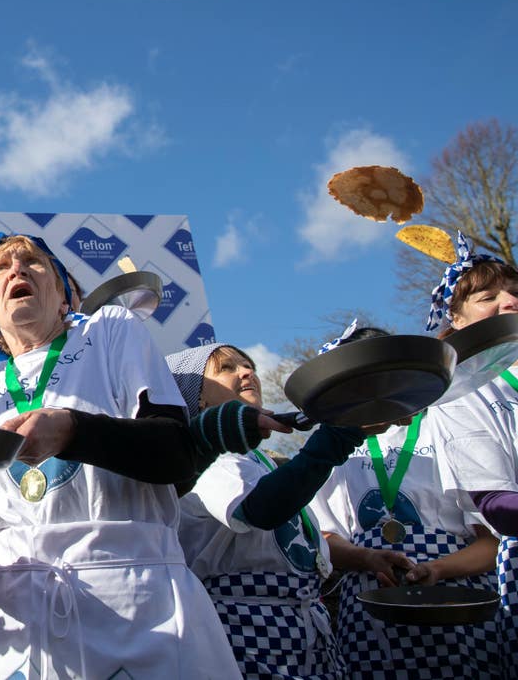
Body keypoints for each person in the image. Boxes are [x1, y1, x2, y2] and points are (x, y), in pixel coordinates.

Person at [0, 232, 239, 678]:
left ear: (64, 294)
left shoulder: (109, 330)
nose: (18, 269)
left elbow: (176, 456)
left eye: (34, 262)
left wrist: (73, 429)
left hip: (138, 606)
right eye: (0, 268)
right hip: (15, 618)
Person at [313, 322, 505, 678]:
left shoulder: (447, 422)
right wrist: (367, 557)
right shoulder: (334, 443)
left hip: (457, 605)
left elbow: (492, 542)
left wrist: (436, 570)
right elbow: (324, 538)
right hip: (371, 608)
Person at [169, 342, 362, 679]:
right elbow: (260, 510)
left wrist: (368, 559)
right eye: (227, 368)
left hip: (298, 630)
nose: (247, 372)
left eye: (248, 365)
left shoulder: (257, 460)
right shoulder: (209, 458)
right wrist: (336, 437)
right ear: (198, 397)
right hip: (247, 632)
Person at [417, 232, 518, 667]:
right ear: (455, 318)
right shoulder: (460, 390)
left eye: (516, 293)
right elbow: (495, 504)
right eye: (489, 296)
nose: (510, 302)